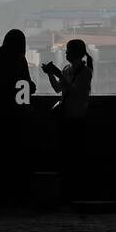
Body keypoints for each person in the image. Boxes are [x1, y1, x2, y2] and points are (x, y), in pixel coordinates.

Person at [0, 28, 36, 199]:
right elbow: (25, 88)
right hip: (15, 115)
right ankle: (16, 193)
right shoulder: (19, 61)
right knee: (16, 155)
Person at [42, 39, 93, 198]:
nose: (66, 53)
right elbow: (59, 89)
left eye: (68, 50)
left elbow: (75, 91)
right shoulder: (67, 70)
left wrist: (57, 74)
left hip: (76, 116)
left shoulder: (85, 72)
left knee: (74, 156)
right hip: (69, 116)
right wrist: (51, 74)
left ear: (75, 53)